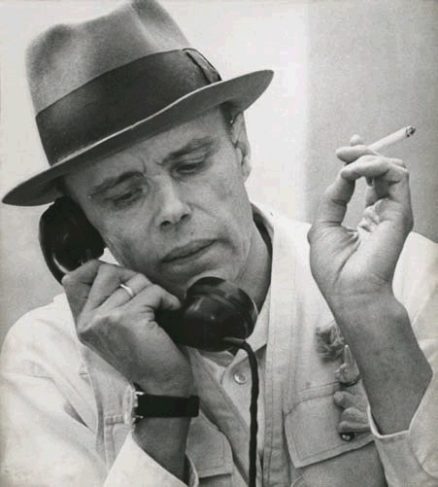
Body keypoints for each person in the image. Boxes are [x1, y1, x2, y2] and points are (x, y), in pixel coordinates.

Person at [1, 0, 437, 486]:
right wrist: (162, 405)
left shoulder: (399, 280)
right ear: (80, 225)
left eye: (190, 165)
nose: (172, 209)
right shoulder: (46, 360)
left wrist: (375, 324)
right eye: (124, 195)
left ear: (240, 148)